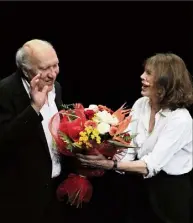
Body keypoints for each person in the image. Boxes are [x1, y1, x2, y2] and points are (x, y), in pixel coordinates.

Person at [78, 53, 193, 223]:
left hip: (170, 191)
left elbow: (151, 165)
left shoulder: (180, 119)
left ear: (164, 83)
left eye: (148, 73)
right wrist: (103, 155)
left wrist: (110, 164)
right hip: (139, 184)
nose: (142, 77)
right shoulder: (141, 104)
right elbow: (128, 146)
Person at [0, 39, 67, 223]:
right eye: (45, 68)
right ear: (25, 69)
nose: (53, 74)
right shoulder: (5, 91)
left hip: (55, 194)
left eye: (56, 65)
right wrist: (34, 108)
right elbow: (4, 142)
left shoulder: (57, 88)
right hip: (20, 200)